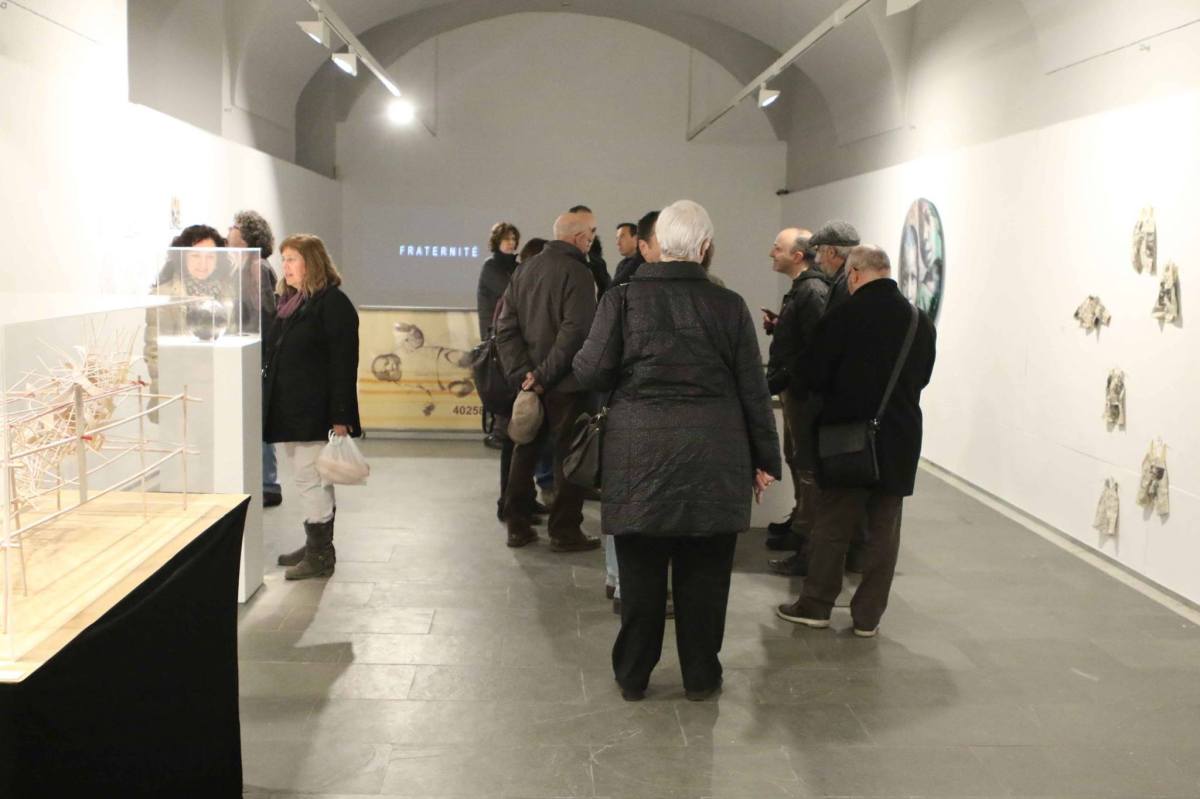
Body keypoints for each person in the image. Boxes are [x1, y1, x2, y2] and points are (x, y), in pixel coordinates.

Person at [573, 200, 781, 701]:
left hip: (637, 457)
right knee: (706, 580)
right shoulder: (728, 305)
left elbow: (590, 371)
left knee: (641, 578)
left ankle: (633, 675)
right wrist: (765, 460)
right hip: (715, 456)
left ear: (656, 245)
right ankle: (701, 677)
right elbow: (753, 390)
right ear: (705, 247)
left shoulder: (621, 299)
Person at [776, 245, 936, 636]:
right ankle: (868, 617)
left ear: (854, 274)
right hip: (899, 438)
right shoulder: (920, 321)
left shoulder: (843, 316)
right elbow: (922, 377)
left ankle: (816, 605)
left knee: (833, 524)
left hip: (847, 437)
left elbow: (812, 375)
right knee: (885, 532)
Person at [495, 211, 600, 552]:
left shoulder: (525, 269)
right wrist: (542, 376)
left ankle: (517, 526)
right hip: (567, 385)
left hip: (530, 382)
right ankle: (564, 532)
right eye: (591, 232)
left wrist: (524, 376)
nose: (593, 239)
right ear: (578, 237)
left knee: (524, 449)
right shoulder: (579, 273)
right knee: (570, 457)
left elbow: (505, 327)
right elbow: (576, 333)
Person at [264, 234, 362, 580]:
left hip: (315, 411)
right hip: (292, 409)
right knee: (307, 477)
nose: (285, 266)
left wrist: (340, 416)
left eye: (292, 259)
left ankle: (321, 554)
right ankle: (315, 544)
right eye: (284, 259)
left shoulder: (332, 304)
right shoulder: (292, 302)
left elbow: (343, 364)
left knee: (311, 479)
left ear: (312, 262)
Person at [761, 229, 831, 566]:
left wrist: (789, 375)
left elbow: (816, 346)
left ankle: (808, 538)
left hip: (803, 392)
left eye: (777, 248)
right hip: (795, 389)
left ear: (798, 256)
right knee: (796, 458)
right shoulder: (803, 289)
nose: (771, 253)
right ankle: (800, 523)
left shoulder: (812, 290)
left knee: (806, 464)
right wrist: (780, 327)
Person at [228, 210, 284, 508]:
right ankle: (264, 482)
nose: (229, 232)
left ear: (248, 236)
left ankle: (267, 484)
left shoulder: (257, 268)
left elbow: (265, 316)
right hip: (253, 357)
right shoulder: (246, 267)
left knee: (259, 423)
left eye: (235, 228)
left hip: (258, 358)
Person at [145, 224, 235, 402]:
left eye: (210, 257)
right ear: (183, 257)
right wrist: (170, 393)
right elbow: (155, 352)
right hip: (178, 393)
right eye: (195, 256)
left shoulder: (228, 292)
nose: (203, 264)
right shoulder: (163, 295)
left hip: (217, 388)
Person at [494, 237, 549, 523]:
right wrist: (526, 376)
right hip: (513, 381)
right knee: (514, 444)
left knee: (524, 444)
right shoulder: (516, 291)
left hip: (521, 379)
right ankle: (510, 506)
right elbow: (506, 336)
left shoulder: (523, 290)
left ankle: (524, 501)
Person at [477, 223, 521, 451]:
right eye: (506, 239)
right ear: (497, 242)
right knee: (502, 385)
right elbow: (511, 292)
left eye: (513, 239)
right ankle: (500, 433)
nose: (511, 243)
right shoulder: (491, 267)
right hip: (495, 337)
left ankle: (507, 432)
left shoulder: (517, 266)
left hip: (512, 334)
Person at [808, 220, 860, 313]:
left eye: (819, 251)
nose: (816, 260)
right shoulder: (858, 277)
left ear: (831, 252)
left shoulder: (845, 284)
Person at [569, 204, 611, 297]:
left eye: (592, 230)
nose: (589, 236)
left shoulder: (599, 264)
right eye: (583, 228)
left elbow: (607, 294)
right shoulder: (554, 263)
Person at [610, 222, 640, 287]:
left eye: (622, 237)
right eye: (617, 238)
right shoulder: (621, 264)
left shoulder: (643, 262)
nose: (618, 243)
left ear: (635, 239)